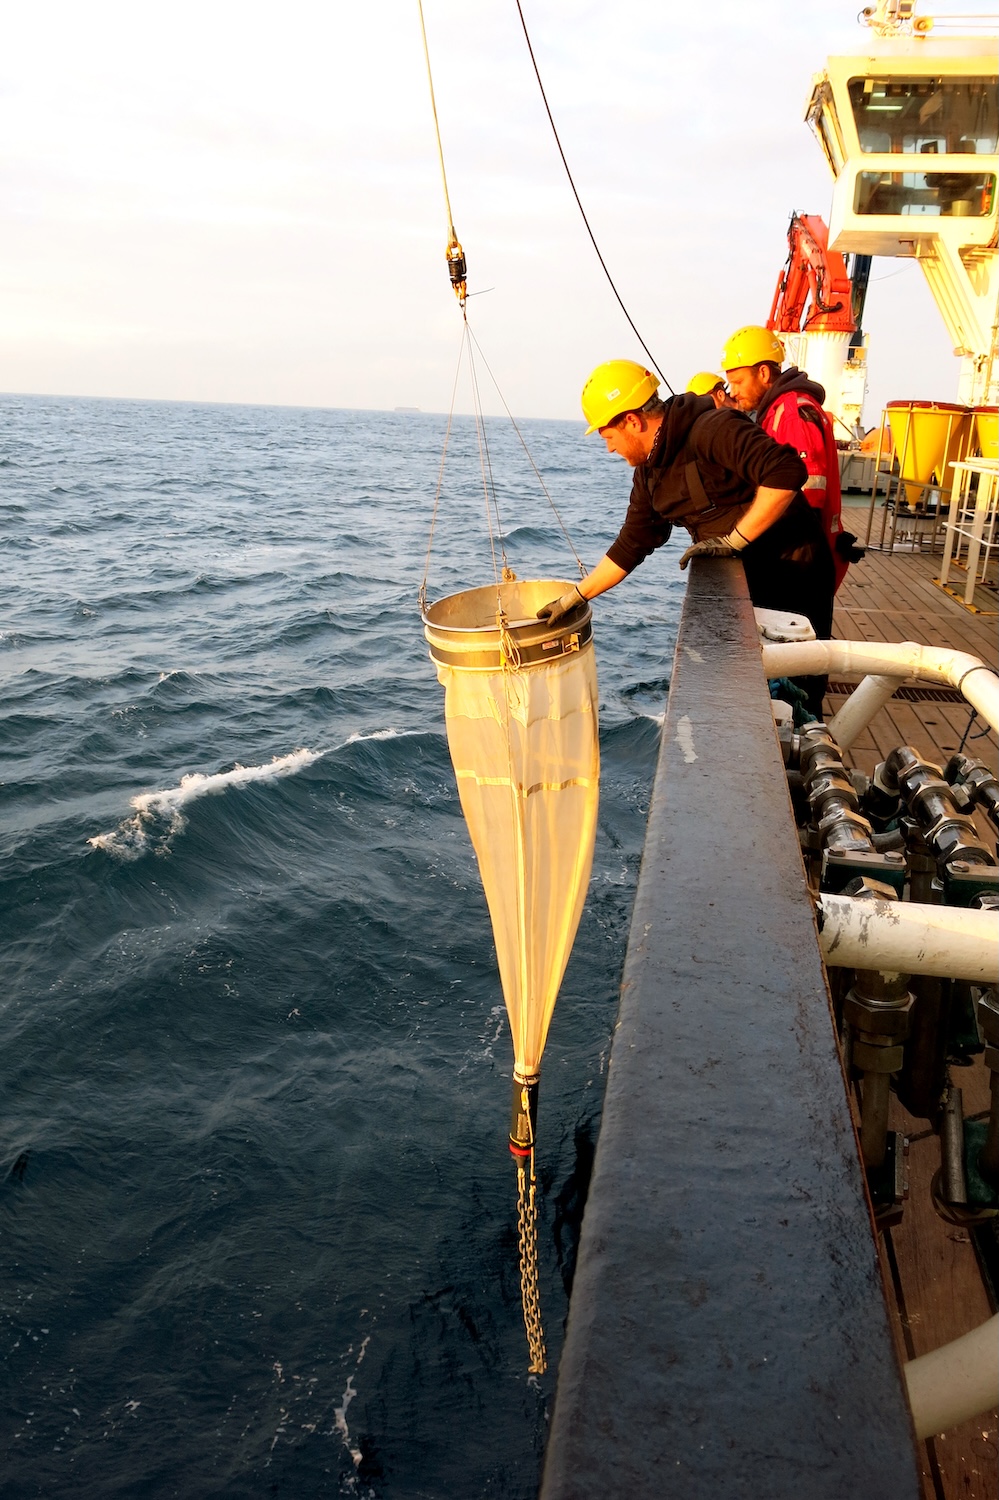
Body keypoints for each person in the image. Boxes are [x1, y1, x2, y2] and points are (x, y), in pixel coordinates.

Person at [539, 359, 836, 716]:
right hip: (745, 579)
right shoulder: (650, 472)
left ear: (632, 420)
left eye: (609, 436)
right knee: (760, 695)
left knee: (800, 689)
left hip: (793, 574)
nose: (610, 449)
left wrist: (735, 540)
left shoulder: (713, 428)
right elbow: (632, 544)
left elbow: (787, 471)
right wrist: (575, 596)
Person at [721, 325, 857, 591]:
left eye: (738, 382)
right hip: (802, 554)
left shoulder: (791, 414)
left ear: (762, 373)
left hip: (800, 561)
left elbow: (807, 495)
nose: (733, 392)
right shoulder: (780, 410)